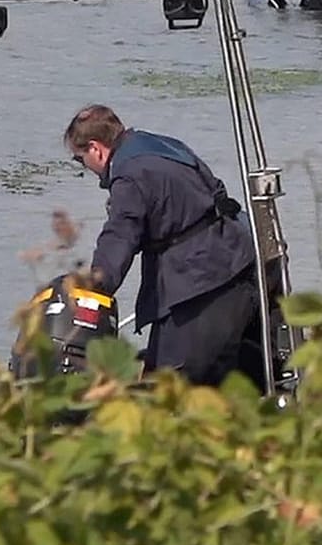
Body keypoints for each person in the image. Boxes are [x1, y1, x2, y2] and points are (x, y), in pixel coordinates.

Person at [67, 105, 266, 389]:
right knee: (242, 370)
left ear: (96, 149)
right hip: (239, 258)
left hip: (202, 280)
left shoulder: (129, 176)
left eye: (79, 158)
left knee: (167, 386)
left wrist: (92, 290)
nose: (84, 166)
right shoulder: (162, 145)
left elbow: (119, 237)